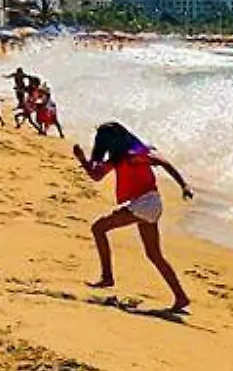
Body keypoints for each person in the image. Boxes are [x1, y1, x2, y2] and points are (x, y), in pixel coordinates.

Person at [73, 122, 193, 312]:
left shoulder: (134, 154)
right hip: (149, 205)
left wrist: (184, 185)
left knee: (99, 228)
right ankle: (181, 297)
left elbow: (164, 163)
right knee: (154, 255)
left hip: (145, 203)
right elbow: (96, 176)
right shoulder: (119, 158)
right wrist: (82, 159)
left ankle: (107, 277)